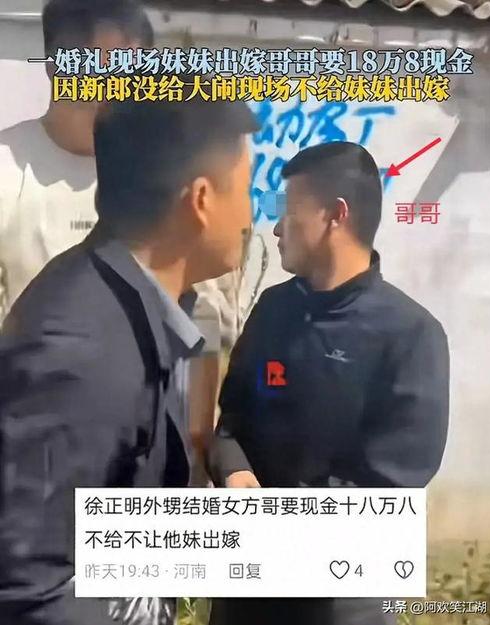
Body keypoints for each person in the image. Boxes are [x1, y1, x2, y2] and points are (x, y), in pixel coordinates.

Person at [0, 96, 258, 625]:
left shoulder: (145, 306)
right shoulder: (77, 349)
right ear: (201, 200)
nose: (252, 217)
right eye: (246, 189)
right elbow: (27, 586)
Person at [208, 141, 450, 625]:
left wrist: (277, 520)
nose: (277, 228)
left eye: (290, 210)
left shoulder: (410, 334)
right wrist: (235, 474)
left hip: (342, 599)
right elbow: (231, 420)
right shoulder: (273, 311)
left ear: (336, 215)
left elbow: (388, 484)